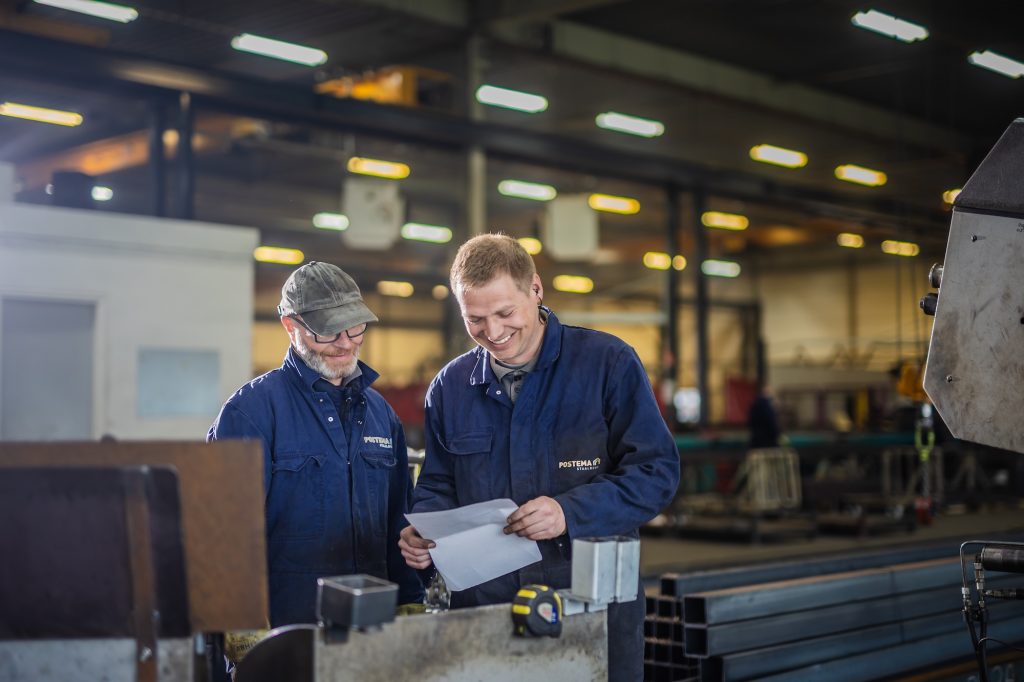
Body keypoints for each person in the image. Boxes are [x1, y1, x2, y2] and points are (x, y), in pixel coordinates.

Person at [399, 234, 680, 682]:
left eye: (505, 313)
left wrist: (569, 513)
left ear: (535, 289)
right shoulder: (450, 388)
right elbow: (438, 484)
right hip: (486, 614)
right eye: (475, 319)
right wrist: (422, 531)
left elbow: (655, 472)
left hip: (590, 608)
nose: (493, 332)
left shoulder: (606, 364)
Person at [208, 261, 422, 628]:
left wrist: (409, 602)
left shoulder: (381, 415)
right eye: (327, 331)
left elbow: (398, 523)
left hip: (373, 628)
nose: (345, 342)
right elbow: (223, 537)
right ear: (290, 326)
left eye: (355, 328)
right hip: (286, 633)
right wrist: (240, 628)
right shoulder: (251, 413)